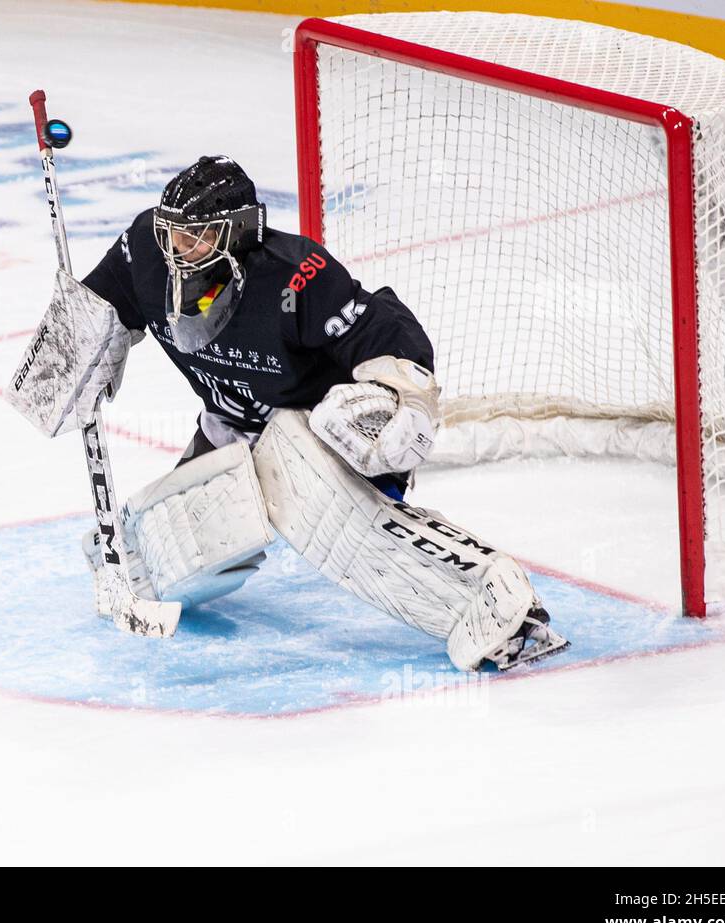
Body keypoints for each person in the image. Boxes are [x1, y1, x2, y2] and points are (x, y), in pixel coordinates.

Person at [70, 155, 567, 670]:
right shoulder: (147, 254)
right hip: (231, 428)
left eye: (195, 237)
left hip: (316, 433)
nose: (178, 250)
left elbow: (377, 325)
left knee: (348, 532)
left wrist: (402, 393)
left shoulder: (294, 277)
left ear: (237, 232)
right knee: (157, 556)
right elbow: (91, 313)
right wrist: (74, 350)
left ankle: (507, 613)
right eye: (173, 233)